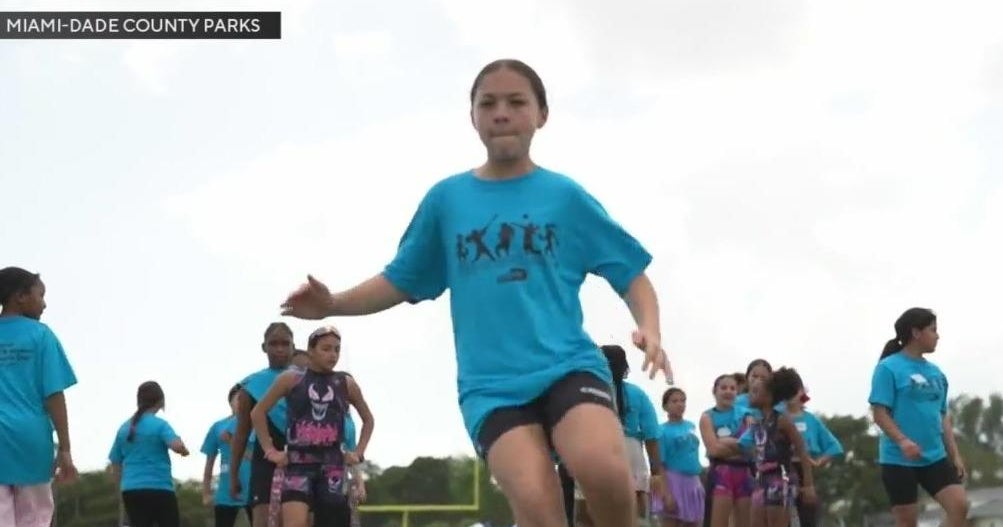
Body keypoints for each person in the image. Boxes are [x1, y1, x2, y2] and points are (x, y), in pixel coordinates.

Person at [281, 58, 671, 527]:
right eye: (488, 103)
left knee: (601, 467)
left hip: (567, 365)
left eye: (516, 102)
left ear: (541, 114)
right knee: (537, 505)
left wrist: (649, 327)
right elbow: (400, 280)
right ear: (473, 117)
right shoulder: (447, 201)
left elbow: (631, 272)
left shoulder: (564, 197)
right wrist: (333, 304)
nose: (501, 113)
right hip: (492, 387)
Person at [251, 325, 374, 527]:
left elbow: (368, 419)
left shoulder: (345, 382)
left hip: (333, 465)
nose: (332, 355)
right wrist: (270, 450)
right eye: (326, 349)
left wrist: (358, 453)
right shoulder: (291, 378)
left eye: (336, 349)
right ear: (310, 350)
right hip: (297, 464)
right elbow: (258, 412)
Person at [868, 308, 968, 527]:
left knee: (959, 505)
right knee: (907, 523)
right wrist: (903, 441)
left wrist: (955, 455)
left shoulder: (936, 373)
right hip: (899, 459)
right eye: (933, 330)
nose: (937, 336)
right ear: (916, 333)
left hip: (935, 457)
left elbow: (943, 417)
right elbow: (879, 414)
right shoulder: (888, 368)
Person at [0, 267, 78, 527]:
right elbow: (53, 395)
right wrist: (65, 448)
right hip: (30, 440)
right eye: (40, 295)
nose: (44, 303)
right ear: (20, 296)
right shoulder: (41, 335)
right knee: (34, 518)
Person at [229, 323, 295, 527]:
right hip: (264, 460)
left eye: (285, 343)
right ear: (264, 347)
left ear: (294, 346)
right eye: (273, 343)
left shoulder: (305, 380)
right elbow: (241, 433)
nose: (280, 349)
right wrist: (233, 475)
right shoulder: (251, 386)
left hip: (301, 460)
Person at [734, 368, 815, 527]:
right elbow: (743, 447)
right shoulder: (759, 423)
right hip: (761, 480)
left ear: (768, 396)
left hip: (781, 479)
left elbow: (802, 450)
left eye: (755, 391)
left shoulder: (782, 421)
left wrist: (808, 485)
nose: (750, 395)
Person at [108, 381, 191, 527]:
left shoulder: (124, 428)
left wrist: (120, 489)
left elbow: (116, 462)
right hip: (159, 488)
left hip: (131, 490)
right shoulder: (160, 425)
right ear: (161, 401)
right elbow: (176, 446)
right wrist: (184, 450)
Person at [781, 382, 842, 527]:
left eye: (794, 390)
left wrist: (820, 461)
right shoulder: (778, 418)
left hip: (807, 472)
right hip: (782, 471)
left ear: (802, 392)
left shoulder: (812, 420)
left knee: (808, 517)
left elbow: (834, 446)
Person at [699, 374, 751, 527]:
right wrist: (740, 445)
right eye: (723, 388)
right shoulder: (707, 417)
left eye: (732, 388)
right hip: (721, 474)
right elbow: (713, 450)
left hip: (745, 473)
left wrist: (725, 441)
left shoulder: (746, 415)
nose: (728, 391)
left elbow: (751, 447)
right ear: (714, 391)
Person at [202, 384, 254, 526]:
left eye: (245, 399)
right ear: (230, 401)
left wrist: (233, 442)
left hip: (253, 489)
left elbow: (258, 456)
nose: (241, 403)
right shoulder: (218, 427)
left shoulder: (257, 423)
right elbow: (209, 461)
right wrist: (206, 492)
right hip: (225, 492)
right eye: (237, 399)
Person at [652, 387, 702, 527]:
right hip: (673, 481)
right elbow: (660, 464)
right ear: (665, 406)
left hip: (693, 481)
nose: (680, 404)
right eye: (674, 401)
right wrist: (666, 492)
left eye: (682, 401)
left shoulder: (691, 426)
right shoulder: (661, 430)